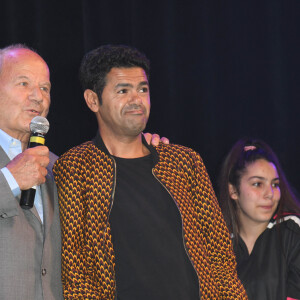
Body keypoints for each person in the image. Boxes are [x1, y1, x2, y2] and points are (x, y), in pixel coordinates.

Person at [53, 44, 247, 300]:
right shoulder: (75, 168)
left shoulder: (183, 162)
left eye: (142, 89)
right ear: (93, 100)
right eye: (123, 90)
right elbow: (76, 269)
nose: (137, 100)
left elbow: (220, 252)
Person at [0, 44, 63, 299]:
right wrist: (10, 180)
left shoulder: (57, 167)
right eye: (24, 83)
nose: (38, 96)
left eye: (45, 88)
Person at [218, 138, 300, 300]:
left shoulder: (292, 231)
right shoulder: (217, 245)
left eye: (275, 184)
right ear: (233, 191)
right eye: (257, 184)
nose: (270, 193)